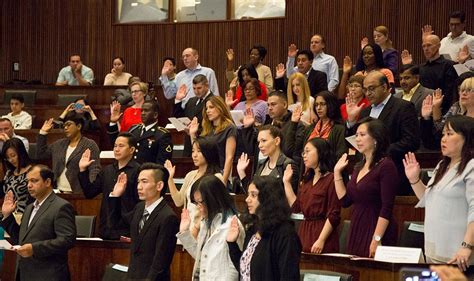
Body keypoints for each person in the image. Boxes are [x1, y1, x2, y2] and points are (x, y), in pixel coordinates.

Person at [403, 115, 473, 269]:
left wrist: (467, 246)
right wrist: (414, 179)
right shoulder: (442, 165)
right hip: (434, 250)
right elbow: (428, 199)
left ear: (466, 138)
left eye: (450, 134)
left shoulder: (471, 166)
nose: (443, 139)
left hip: (458, 255)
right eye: (443, 134)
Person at [345, 71, 420, 195]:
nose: (368, 93)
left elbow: (411, 141)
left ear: (385, 87)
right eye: (365, 89)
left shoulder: (403, 107)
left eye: (372, 89)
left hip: (392, 174)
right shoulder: (365, 112)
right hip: (366, 175)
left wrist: (379, 152)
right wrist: (351, 121)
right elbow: (352, 143)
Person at [334, 118, 398, 257]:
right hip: (357, 225)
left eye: (362, 135)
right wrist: (337, 173)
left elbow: (387, 207)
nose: (357, 139)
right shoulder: (358, 166)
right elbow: (345, 201)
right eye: (356, 135)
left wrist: (377, 239)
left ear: (376, 138)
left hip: (376, 227)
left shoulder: (386, 166)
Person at [0, 164, 76, 281]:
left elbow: (67, 240)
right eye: (28, 181)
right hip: (26, 273)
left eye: (34, 181)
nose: (29, 185)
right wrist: (7, 215)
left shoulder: (61, 206)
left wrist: (34, 249)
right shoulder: (29, 207)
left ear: (47, 182)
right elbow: (21, 238)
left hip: (49, 275)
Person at [107, 163, 179, 281]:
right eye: (138, 182)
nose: (139, 187)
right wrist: (115, 196)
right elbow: (116, 225)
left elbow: (160, 262)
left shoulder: (168, 217)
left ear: (159, 185)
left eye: (144, 182)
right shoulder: (139, 208)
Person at [226, 176, 302, 280]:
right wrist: (232, 243)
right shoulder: (253, 228)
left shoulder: (285, 234)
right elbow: (245, 270)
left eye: (253, 195)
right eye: (248, 194)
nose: (247, 199)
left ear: (268, 197)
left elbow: (289, 276)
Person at [177, 175, 245, 280]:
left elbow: (236, 266)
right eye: (196, 203)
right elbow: (202, 257)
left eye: (201, 202)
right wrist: (184, 233)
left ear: (214, 199)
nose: (198, 207)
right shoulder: (206, 222)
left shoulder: (232, 224)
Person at [283, 138, 341, 253]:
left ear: (320, 152)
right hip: (305, 232)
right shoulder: (307, 180)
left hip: (322, 233)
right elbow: (296, 207)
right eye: (303, 152)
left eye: (308, 151)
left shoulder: (331, 179)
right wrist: (286, 183)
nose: (304, 155)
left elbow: (334, 214)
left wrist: (321, 239)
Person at [78, 132, 140, 240]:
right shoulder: (107, 170)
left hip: (126, 229)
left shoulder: (139, 171)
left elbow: (139, 203)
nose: (116, 149)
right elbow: (89, 193)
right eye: (115, 146)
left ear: (131, 150)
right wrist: (83, 170)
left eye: (121, 146)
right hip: (106, 228)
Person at [165, 137, 223, 233]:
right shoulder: (191, 175)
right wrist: (170, 178)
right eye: (193, 151)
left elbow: (217, 207)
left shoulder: (216, 177)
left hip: (206, 228)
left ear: (209, 152)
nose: (194, 155)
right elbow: (178, 201)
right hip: (188, 225)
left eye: (199, 151)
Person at [36, 113, 101, 193]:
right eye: (64, 126)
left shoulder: (89, 145)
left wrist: (90, 189)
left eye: (68, 125)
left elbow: (94, 169)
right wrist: (43, 133)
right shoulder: (59, 144)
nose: (65, 128)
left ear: (78, 126)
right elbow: (41, 154)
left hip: (78, 193)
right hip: (58, 191)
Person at [401, 35, 458, 114]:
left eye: (429, 45)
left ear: (438, 46)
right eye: (424, 46)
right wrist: (408, 66)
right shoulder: (421, 67)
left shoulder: (449, 65)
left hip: (441, 109)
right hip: (421, 108)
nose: (426, 49)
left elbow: (450, 92)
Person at [235, 125, 299, 193]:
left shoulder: (288, 165)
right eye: (259, 142)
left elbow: (291, 199)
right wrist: (241, 172)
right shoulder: (261, 165)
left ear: (277, 141)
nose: (260, 145)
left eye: (264, 141)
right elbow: (253, 193)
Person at [189, 96, 236, 184]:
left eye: (211, 107)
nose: (208, 111)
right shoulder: (207, 128)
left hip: (220, 172)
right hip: (205, 171)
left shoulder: (229, 128)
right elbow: (198, 149)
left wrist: (224, 181)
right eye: (206, 108)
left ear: (220, 107)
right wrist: (192, 134)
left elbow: (229, 157)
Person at [108, 100, 172, 165]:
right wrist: (113, 122)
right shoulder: (133, 129)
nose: (143, 113)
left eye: (146, 111)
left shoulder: (162, 135)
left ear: (155, 115)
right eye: (142, 111)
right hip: (130, 172)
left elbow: (162, 163)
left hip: (148, 173)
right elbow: (117, 143)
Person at [421, 75, 474, 150]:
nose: (464, 93)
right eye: (461, 90)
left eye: (469, 90)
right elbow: (433, 143)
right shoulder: (456, 116)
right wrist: (426, 117)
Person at [299, 91, 347, 160]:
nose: (318, 108)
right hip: (309, 169)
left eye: (322, 104)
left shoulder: (340, 129)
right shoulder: (310, 128)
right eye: (316, 105)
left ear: (331, 105)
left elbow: (340, 156)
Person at [173, 74, 213, 157]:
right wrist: (178, 100)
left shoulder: (214, 100)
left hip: (205, 143)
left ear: (207, 86)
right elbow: (179, 118)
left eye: (199, 88)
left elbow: (213, 125)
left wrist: (195, 130)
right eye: (194, 88)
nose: (196, 91)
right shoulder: (191, 101)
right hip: (189, 145)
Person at [0, 138, 33, 216]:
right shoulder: (9, 173)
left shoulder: (32, 172)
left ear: (21, 153)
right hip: (7, 213)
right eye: (7, 157)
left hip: (23, 214)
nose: (10, 160)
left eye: (13, 156)